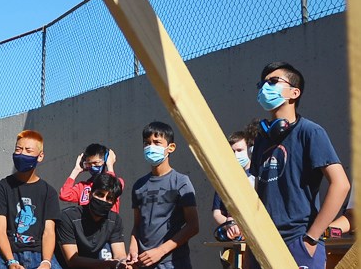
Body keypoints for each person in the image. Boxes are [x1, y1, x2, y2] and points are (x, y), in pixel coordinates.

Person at [248, 62, 350, 269]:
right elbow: (259, 191)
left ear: (295, 92)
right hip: (262, 241)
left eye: (273, 81)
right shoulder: (261, 139)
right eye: (262, 83)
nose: (265, 87)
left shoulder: (310, 132)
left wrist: (311, 239)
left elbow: (341, 184)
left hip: (298, 241)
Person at [0, 129, 62, 269]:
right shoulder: (1, 188)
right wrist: (11, 261)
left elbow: (49, 232)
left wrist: (46, 262)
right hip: (6, 255)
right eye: (18, 149)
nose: (22, 154)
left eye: (28, 150)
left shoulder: (49, 192)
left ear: (40, 156)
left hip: (40, 254)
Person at [128, 121, 199, 269]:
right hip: (143, 263)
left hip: (174, 263)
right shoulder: (138, 186)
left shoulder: (181, 182)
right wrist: (133, 248)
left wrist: (160, 251)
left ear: (170, 147)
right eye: (147, 143)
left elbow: (193, 226)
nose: (150, 147)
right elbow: (137, 225)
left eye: (156, 142)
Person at [56, 173, 128, 269]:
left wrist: (125, 264)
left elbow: (120, 255)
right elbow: (72, 261)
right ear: (90, 194)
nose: (103, 200)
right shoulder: (68, 217)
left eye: (109, 198)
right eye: (100, 195)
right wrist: (106, 264)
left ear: (114, 202)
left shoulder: (114, 220)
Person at [210, 130, 256, 268]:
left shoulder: (259, 177)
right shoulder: (225, 180)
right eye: (232, 152)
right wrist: (230, 224)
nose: (236, 155)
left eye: (240, 150)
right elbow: (217, 212)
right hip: (232, 243)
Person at [59, 144, 124, 213]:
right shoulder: (82, 187)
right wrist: (76, 170)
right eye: (89, 164)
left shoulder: (118, 183)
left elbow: (110, 187)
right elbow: (64, 195)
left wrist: (110, 166)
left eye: (96, 163)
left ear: (105, 161)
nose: (92, 166)